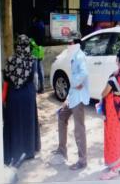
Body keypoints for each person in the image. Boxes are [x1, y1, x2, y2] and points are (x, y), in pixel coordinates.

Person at [51, 32, 89, 170]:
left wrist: (78, 82)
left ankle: (82, 160)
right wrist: (67, 98)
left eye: (70, 42)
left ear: (76, 43)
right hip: (72, 96)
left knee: (79, 129)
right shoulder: (74, 56)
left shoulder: (79, 56)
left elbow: (84, 73)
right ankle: (62, 150)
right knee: (62, 116)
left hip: (78, 98)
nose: (68, 44)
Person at [3, 34, 41, 165]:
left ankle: (14, 151)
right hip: (28, 95)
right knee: (27, 121)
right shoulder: (32, 60)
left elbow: (6, 79)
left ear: (17, 45)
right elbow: (35, 81)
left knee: (14, 122)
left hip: (14, 95)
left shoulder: (10, 59)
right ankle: (29, 151)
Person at [100, 48, 120, 180]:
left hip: (114, 110)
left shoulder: (114, 78)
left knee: (114, 135)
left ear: (118, 60)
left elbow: (104, 93)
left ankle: (115, 168)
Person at [29, 13, 45, 93]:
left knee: (35, 71)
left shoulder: (34, 26)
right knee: (41, 69)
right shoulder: (42, 25)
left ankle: (35, 89)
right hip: (41, 49)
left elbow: (31, 39)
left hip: (35, 49)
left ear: (35, 17)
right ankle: (42, 88)